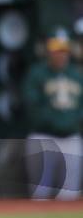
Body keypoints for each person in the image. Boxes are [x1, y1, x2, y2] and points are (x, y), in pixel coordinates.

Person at [22, 28, 82, 200]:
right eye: (56, 50)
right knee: (40, 193)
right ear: (48, 51)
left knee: (69, 195)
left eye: (63, 50)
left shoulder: (76, 75)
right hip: (44, 138)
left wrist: (71, 122)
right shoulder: (37, 73)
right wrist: (59, 122)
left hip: (71, 138)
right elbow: (33, 107)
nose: (60, 55)